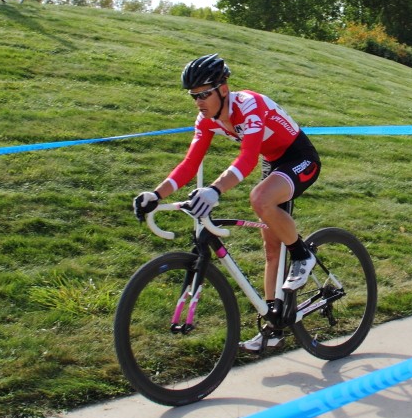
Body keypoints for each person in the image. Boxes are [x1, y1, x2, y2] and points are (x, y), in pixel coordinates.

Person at [132, 54, 321, 352]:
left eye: (204, 94)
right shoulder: (206, 120)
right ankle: (275, 326)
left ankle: (302, 254)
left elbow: (247, 158)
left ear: (223, 89)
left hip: (300, 157)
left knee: (259, 198)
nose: (198, 102)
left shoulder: (248, 106)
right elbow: (190, 163)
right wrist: (156, 195)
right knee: (271, 250)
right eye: (193, 96)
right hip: (273, 162)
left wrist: (215, 190)